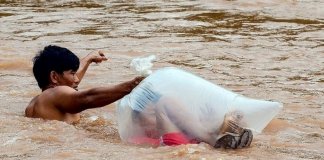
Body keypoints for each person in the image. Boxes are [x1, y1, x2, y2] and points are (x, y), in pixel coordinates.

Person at [25, 45, 144, 124]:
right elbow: (88, 98)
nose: (76, 79)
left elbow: (70, 84)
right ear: (54, 77)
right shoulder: (54, 94)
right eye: (72, 73)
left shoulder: (41, 99)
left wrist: (89, 58)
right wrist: (133, 84)